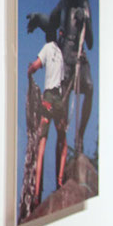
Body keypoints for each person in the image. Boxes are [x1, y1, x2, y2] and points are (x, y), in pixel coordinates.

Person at [26, 0, 94, 153]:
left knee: (89, 88)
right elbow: (52, 22)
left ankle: (80, 137)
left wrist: (86, 20)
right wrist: (39, 18)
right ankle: (59, 163)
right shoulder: (64, 3)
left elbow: (91, 42)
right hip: (64, 64)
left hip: (79, 59)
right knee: (60, 121)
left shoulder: (85, 4)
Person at [26, 32, 68, 204]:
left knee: (41, 146)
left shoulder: (47, 48)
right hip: (58, 101)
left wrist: (29, 71)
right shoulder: (61, 55)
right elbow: (62, 80)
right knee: (63, 144)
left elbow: (36, 65)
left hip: (48, 99)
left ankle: (36, 194)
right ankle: (60, 181)